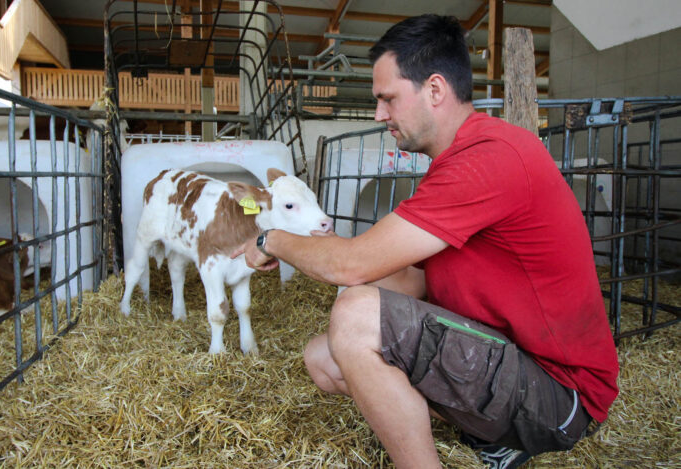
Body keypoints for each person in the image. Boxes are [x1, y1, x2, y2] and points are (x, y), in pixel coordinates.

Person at [232, 14, 619, 469]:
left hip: (559, 395)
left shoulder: (488, 160)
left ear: (435, 90)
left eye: (388, 99)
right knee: (326, 357)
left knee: (355, 317)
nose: (379, 115)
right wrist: (342, 270)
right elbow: (404, 279)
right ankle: (495, 439)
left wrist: (271, 239)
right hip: (511, 361)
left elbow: (351, 267)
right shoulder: (457, 163)